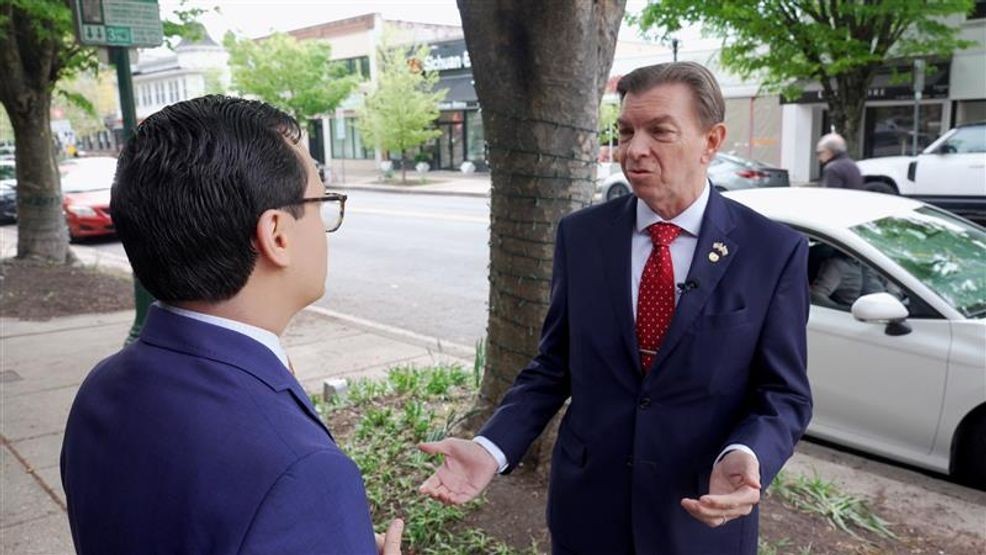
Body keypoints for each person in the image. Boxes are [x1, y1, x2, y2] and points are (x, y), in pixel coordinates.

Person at [418, 62, 812, 554]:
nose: (634, 149)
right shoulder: (582, 237)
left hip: (699, 518)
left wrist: (748, 452)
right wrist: (490, 448)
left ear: (711, 141)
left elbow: (784, 394)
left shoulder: (772, 251)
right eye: (625, 132)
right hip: (587, 514)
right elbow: (552, 367)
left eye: (659, 132)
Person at [60, 96, 403, 555]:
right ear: (276, 234)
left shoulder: (101, 388)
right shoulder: (300, 470)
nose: (325, 226)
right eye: (322, 203)